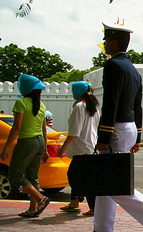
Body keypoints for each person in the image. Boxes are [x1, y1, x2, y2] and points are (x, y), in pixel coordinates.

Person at [83, 22, 143, 232]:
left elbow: (110, 103)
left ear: (113, 41)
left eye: (106, 40)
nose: (104, 44)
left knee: (114, 182)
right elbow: (138, 105)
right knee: (106, 180)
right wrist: (138, 136)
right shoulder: (132, 70)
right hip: (129, 126)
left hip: (116, 128)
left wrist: (103, 138)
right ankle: (102, 229)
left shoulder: (113, 65)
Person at [0, 74, 50, 217]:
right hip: (39, 142)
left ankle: (41, 199)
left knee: (14, 175)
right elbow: (44, 129)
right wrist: (45, 149)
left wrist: (6, 148)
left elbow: (16, 127)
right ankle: (33, 209)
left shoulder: (21, 103)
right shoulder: (41, 105)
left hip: (26, 142)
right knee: (32, 176)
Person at [58, 81, 100, 216]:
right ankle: (75, 202)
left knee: (77, 176)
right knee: (79, 175)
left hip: (81, 149)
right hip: (90, 146)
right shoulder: (93, 107)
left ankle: (91, 206)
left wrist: (63, 148)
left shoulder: (79, 107)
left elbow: (74, 132)